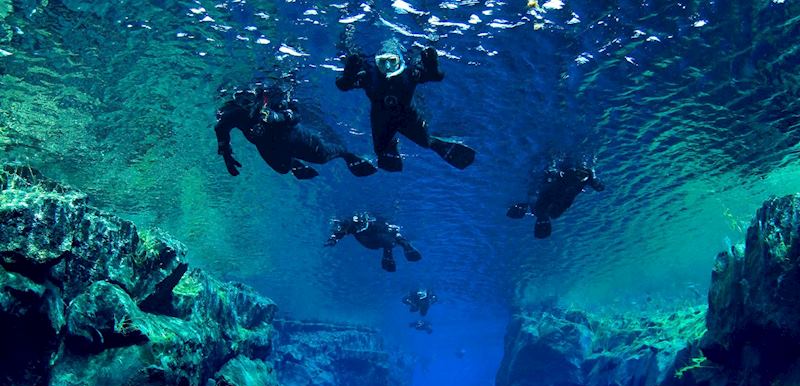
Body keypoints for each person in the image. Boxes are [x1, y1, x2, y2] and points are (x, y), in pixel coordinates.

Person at [335, 38, 475, 172]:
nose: (387, 67)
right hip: (382, 119)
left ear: (399, 61)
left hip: (407, 116)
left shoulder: (410, 73)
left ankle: (432, 143)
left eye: (392, 61)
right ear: (376, 62)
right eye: (382, 62)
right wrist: (348, 74)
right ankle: (391, 145)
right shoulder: (368, 75)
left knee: (425, 142)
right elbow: (343, 85)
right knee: (380, 150)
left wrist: (431, 64)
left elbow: (436, 76)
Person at [214, 84, 377, 180]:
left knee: (322, 157)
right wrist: (227, 154)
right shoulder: (234, 113)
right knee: (282, 170)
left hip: (293, 137)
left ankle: (347, 155)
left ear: (258, 95)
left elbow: (297, 115)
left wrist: (278, 117)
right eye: (240, 100)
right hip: (266, 146)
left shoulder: (274, 97)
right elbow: (220, 128)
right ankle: (292, 162)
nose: (246, 104)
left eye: (249, 97)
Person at [506, 159, 605, 238]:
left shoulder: (536, 210)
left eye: (540, 223)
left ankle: (583, 177)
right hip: (563, 181)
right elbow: (568, 199)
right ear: (550, 224)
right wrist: (580, 184)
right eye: (545, 223)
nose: (543, 221)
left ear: (536, 224)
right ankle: (585, 178)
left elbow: (564, 198)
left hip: (559, 180)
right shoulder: (553, 213)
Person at [324, 212, 422, 272]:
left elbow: (342, 231)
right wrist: (333, 239)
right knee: (389, 236)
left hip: (370, 239)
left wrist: (334, 239)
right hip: (374, 237)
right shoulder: (352, 224)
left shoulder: (352, 223)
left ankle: (394, 248)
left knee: (387, 237)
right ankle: (400, 244)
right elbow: (341, 232)